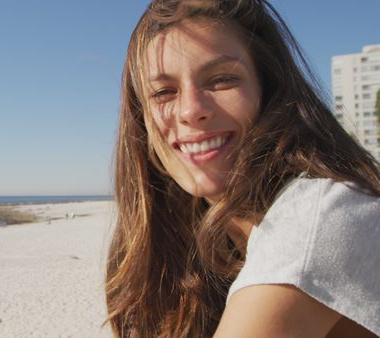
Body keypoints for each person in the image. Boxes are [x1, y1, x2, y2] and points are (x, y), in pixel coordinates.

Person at [105, 0, 380, 337]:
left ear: (269, 91)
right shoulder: (201, 240)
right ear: (141, 119)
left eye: (221, 80)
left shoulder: (320, 216)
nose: (191, 110)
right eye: (164, 92)